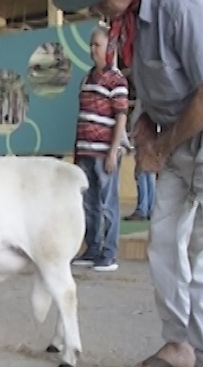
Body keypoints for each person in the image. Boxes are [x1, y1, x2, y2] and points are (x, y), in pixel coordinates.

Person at [52, 0, 203, 367]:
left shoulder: (179, 0)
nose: (92, 8)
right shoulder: (128, 16)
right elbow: (152, 80)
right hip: (173, 135)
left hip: (200, 133)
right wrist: (145, 120)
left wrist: (163, 145)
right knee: (164, 240)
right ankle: (178, 343)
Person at [71, 24, 129, 273]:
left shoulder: (117, 80)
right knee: (90, 205)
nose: (92, 49)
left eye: (97, 45)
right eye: (91, 45)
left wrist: (113, 152)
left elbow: (121, 118)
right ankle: (92, 249)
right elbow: (82, 116)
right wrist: (76, 153)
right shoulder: (86, 78)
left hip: (104, 153)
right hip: (85, 152)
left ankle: (109, 254)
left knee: (108, 205)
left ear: (109, 48)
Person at [124, 99, 156, 221]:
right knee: (148, 174)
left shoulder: (146, 95)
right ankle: (149, 208)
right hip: (149, 138)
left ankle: (142, 208)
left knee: (141, 173)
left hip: (144, 138)